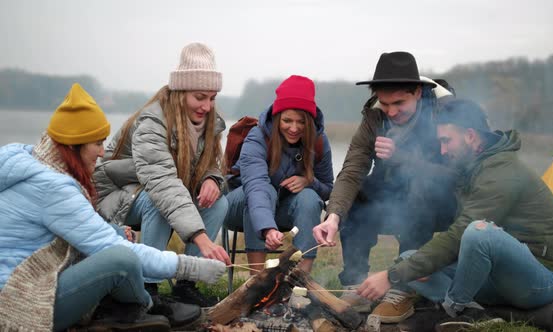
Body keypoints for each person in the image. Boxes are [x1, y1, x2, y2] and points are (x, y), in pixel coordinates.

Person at [0, 83, 227, 331]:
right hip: (22, 301)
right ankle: (147, 306)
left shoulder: (30, 161)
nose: (102, 153)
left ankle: (122, 311)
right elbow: (113, 250)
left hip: (31, 280)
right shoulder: (53, 188)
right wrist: (193, 267)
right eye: (97, 144)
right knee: (120, 258)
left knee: (118, 237)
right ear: (74, 145)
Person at [357, 98, 553, 331]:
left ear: (470, 136)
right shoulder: (472, 168)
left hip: (540, 280)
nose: (442, 150)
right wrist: (406, 269)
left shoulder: (501, 172)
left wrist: (391, 276)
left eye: (446, 141)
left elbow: (462, 234)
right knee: (409, 258)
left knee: (479, 233)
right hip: (498, 276)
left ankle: (454, 310)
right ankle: (474, 311)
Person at [312, 51, 457, 320]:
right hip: (391, 196)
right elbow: (352, 170)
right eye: (384, 102)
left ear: (417, 92)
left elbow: (457, 176)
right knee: (356, 195)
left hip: (442, 201)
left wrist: (402, 158)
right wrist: (333, 217)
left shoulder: (447, 114)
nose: (390, 111)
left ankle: (403, 288)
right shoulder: (373, 117)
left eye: (399, 103)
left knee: (418, 189)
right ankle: (355, 283)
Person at [93, 42, 231, 308]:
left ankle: (186, 286)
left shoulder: (209, 124)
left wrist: (212, 180)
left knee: (220, 202)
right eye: (199, 97)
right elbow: (163, 184)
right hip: (118, 195)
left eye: (212, 98)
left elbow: (212, 163)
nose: (207, 106)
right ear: (180, 92)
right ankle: (147, 285)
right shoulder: (151, 123)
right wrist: (202, 239)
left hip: (155, 191)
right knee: (157, 202)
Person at [225, 75, 334, 273]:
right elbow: (256, 187)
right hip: (238, 207)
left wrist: (309, 181)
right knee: (264, 190)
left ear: (309, 121)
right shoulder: (257, 137)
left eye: (301, 122)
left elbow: (328, 190)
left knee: (310, 197)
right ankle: (256, 282)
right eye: (287, 120)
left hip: (282, 210)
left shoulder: (318, 141)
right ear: (277, 118)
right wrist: (268, 228)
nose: (294, 128)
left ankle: (299, 282)